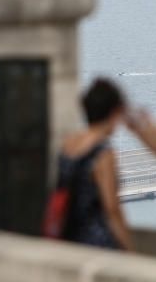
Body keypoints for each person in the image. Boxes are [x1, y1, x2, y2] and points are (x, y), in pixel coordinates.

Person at [57, 78, 134, 251]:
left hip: (68, 236)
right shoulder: (102, 153)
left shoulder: (68, 145)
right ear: (114, 113)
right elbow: (112, 208)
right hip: (96, 241)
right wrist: (129, 247)